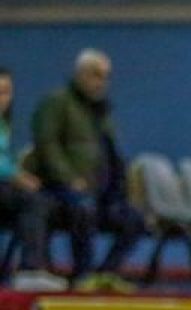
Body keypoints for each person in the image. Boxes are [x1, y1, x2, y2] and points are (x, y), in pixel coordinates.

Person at [29, 49, 145, 292]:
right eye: (95, 74)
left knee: (135, 220)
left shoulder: (102, 113)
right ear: (80, 74)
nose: (101, 82)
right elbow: (46, 145)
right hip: (62, 191)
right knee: (83, 207)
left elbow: (113, 156)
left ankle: (105, 274)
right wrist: (68, 178)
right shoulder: (57, 103)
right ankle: (83, 274)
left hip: (102, 194)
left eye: (106, 76)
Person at [0, 67, 58, 288]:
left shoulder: (4, 125)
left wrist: (20, 171)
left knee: (46, 201)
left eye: (6, 92)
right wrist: (15, 176)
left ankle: (39, 265)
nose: (2, 98)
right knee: (32, 201)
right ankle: (30, 268)